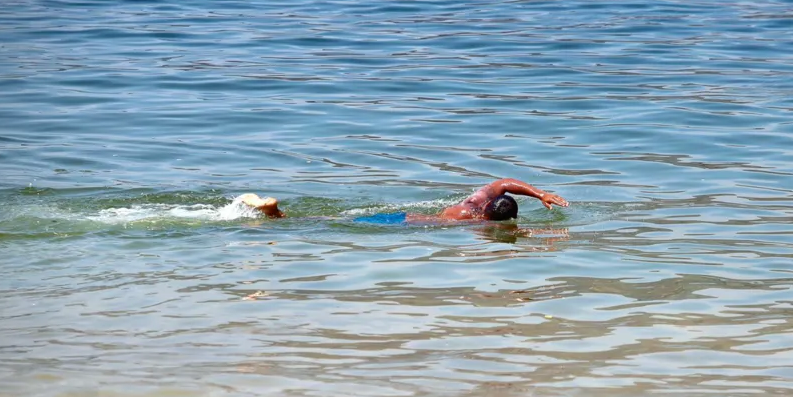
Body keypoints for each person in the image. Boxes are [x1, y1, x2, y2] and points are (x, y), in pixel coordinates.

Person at [235, 177, 569, 224]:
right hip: (405, 223)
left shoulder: (474, 201)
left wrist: (540, 193)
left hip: (401, 214)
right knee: (325, 223)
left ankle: (274, 211)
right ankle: (275, 213)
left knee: (337, 217)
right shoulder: (478, 225)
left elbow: (503, 183)